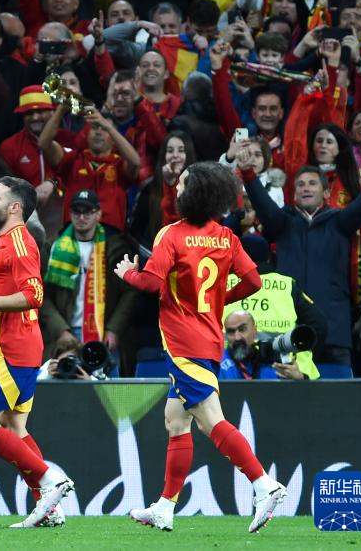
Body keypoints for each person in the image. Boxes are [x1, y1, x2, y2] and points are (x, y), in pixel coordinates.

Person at [114, 161, 286, 534]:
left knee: (211, 420)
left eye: (182, 183)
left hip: (182, 342)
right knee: (176, 420)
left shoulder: (171, 235)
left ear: (194, 193)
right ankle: (165, 506)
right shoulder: (226, 236)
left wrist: (127, 273)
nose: (176, 188)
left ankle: (263, 484)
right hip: (208, 337)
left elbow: (150, 283)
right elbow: (254, 281)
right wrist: (220, 299)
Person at [0, 176, 76, 529]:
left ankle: (49, 479)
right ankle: (49, 506)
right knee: (14, 425)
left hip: (8, 348)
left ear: (15, 207)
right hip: (13, 345)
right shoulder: (5, 241)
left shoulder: (19, 241)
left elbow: (34, 295)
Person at [238, 151, 361, 364]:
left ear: (326, 193)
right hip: (289, 333)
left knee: (339, 386)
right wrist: (248, 173)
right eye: (300, 185)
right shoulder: (283, 223)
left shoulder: (340, 223)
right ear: (294, 195)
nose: (306, 188)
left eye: (312, 183)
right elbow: (263, 204)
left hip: (334, 333)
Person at [41, 190, 140, 367]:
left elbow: (130, 292)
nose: (81, 217)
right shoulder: (53, 247)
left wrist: (114, 329)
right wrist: (60, 329)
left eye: (87, 212)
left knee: (107, 385)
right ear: (70, 214)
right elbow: (40, 295)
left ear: (98, 214)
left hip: (104, 333)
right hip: (65, 334)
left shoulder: (115, 248)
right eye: (76, 212)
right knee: (63, 383)